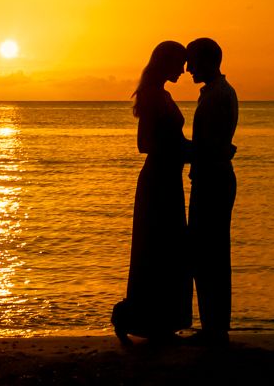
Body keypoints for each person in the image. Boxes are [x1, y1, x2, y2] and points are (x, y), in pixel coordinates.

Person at [112, 40, 193, 342]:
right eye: (179, 64)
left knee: (168, 250)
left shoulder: (164, 95)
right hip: (157, 181)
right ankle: (135, 318)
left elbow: (174, 140)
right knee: (156, 249)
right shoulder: (150, 96)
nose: (184, 71)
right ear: (166, 63)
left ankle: (161, 322)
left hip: (168, 179)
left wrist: (192, 150)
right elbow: (144, 144)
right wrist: (185, 151)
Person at [184, 36, 238, 345]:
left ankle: (214, 327)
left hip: (212, 179)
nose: (189, 68)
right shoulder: (216, 93)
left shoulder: (218, 95)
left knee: (209, 254)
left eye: (192, 61)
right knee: (209, 253)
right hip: (212, 176)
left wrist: (176, 151)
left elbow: (210, 146)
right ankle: (213, 325)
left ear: (207, 60)